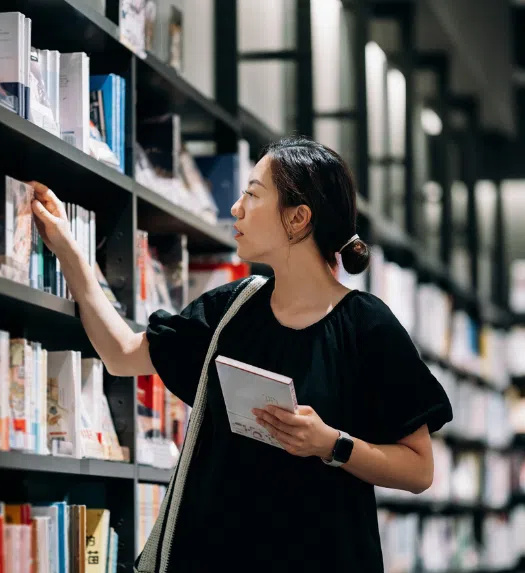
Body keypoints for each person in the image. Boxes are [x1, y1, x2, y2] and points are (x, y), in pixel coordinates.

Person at [30, 136, 453, 573]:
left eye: (252, 194)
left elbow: (419, 469)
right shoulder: (231, 311)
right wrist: (70, 253)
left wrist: (330, 444)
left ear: (297, 218)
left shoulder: (367, 326)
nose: (236, 207)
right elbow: (121, 355)